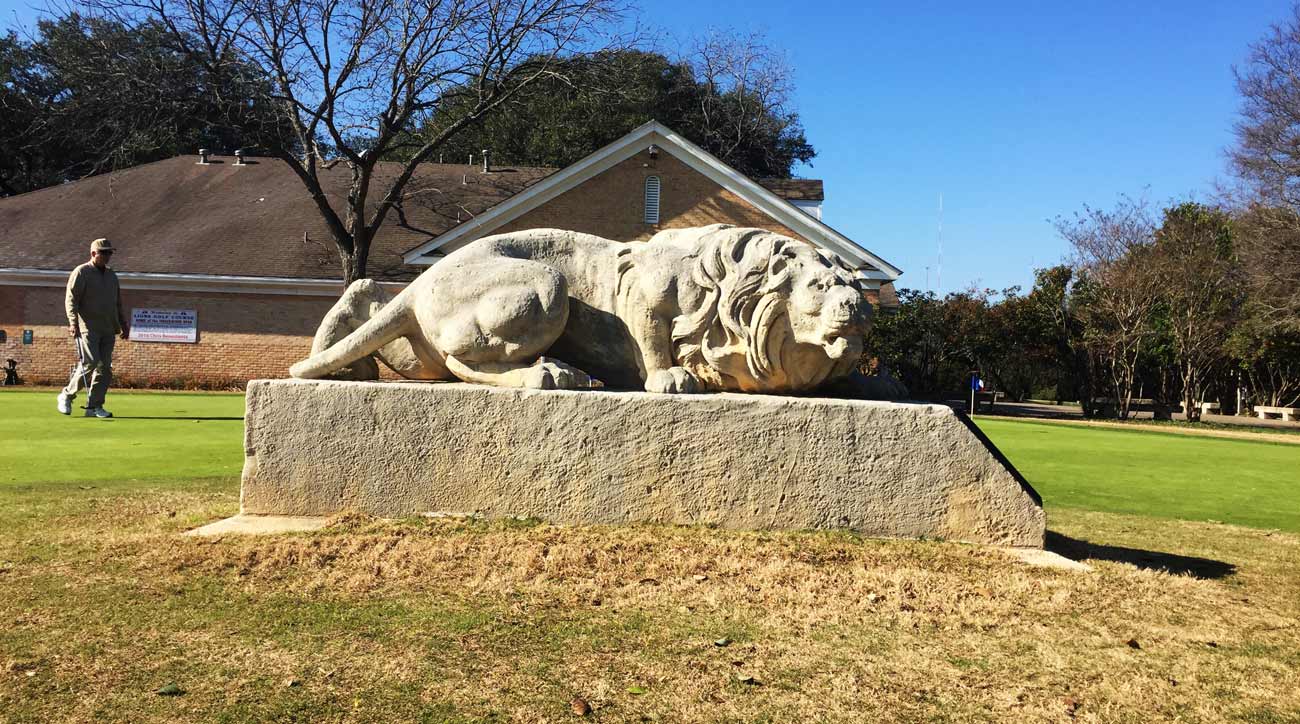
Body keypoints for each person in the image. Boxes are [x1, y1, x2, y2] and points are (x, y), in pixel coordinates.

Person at [58, 238, 129, 418]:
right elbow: (71, 299)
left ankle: (94, 406)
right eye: (103, 252)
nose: (107, 256)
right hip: (87, 327)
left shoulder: (112, 275)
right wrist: (73, 322)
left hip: (108, 327)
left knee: (105, 368)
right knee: (90, 362)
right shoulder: (82, 272)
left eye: (109, 253)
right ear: (93, 254)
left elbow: (117, 303)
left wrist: (123, 324)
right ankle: (67, 394)